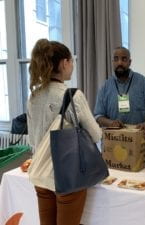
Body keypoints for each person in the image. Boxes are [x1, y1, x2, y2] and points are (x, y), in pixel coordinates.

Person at [27, 39, 101, 225]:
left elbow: (33, 138)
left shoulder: (34, 96)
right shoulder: (72, 96)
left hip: (40, 175)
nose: (72, 66)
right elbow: (95, 135)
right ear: (63, 63)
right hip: (67, 177)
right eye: (71, 61)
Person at [94, 47, 145, 136]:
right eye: (116, 59)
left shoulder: (144, 83)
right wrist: (110, 123)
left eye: (124, 59)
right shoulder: (105, 87)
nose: (120, 62)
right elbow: (98, 115)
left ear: (129, 62)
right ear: (112, 62)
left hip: (139, 140)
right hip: (113, 141)